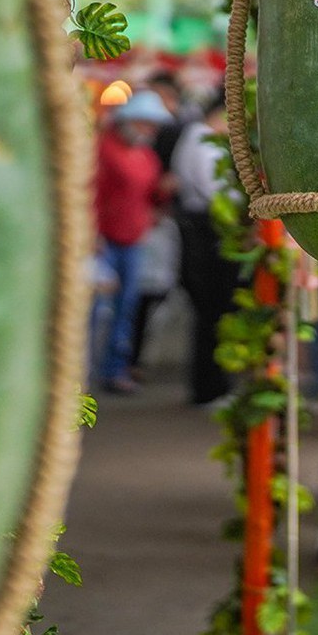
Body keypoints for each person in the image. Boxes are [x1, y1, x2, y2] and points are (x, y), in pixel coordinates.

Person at [91, 92, 173, 394]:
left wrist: (163, 194)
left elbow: (151, 195)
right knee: (95, 310)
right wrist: (91, 233)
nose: (149, 130)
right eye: (144, 124)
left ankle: (114, 369)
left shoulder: (145, 156)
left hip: (133, 239)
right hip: (104, 241)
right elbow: (91, 193)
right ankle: (83, 373)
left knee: (125, 308)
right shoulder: (103, 150)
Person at [171, 91, 236, 405]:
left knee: (212, 314)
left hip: (205, 230)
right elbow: (215, 190)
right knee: (213, 313)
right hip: (207, 233)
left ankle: (212, 385)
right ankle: (210, 388)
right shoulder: (202, 141)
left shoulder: (195, 138)